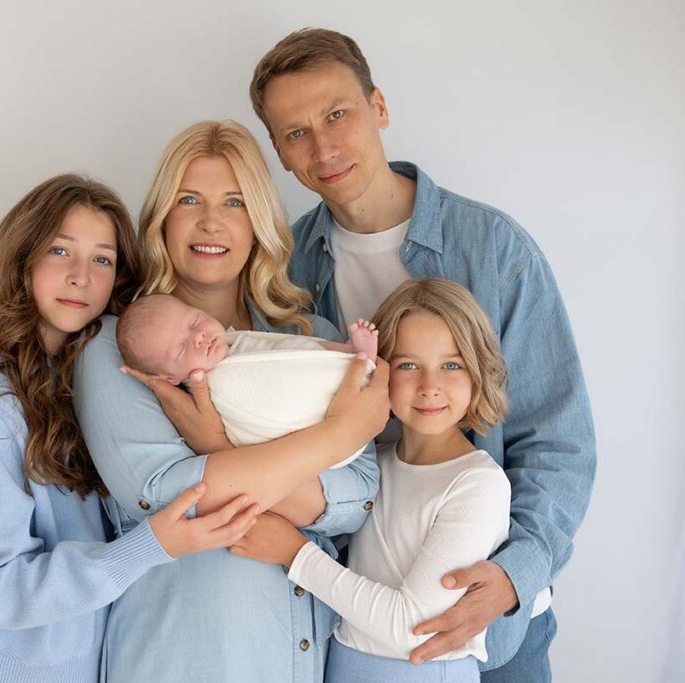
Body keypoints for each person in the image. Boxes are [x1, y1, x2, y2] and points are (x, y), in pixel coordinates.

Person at [249, 28, 595, 679]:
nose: (322, 147)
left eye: (336, 114)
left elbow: (559, 439)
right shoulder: (283, 269)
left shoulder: (494, 248)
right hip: (356, 629)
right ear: (279, 152)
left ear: (378, 106)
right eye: (295, 132)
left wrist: (513, 574)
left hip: (492, 623)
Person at [72, 120, 390, 682]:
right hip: (185, 653)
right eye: (188, 199)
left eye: (234, 201)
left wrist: (215, 450)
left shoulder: (308, 334)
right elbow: (165, 494)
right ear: (162, 219)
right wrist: (333, 437)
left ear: (258, 222)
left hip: (299, 650)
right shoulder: (118, 348)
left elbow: (359, 496)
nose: (210, 221)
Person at [0, 174, 262, 683]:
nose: (82, 276)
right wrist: (152, 544)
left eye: (102, 258)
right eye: (61, 252)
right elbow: (1, 589)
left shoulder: (97, 385)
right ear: (23, 260)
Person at [234, 278, 511, 683]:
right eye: (408, 365)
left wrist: (295, 554)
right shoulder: (369, 467)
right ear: (379, 370)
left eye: (451, 365)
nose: (430, 386)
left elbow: (411, 627)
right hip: (344, 666)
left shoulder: (477, 484)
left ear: (477, 372)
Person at [117, 293, 376, 462]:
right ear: (169, 378)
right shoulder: (213, 390)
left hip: (353, 417)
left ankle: (351, 358)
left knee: (299, 353)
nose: (198, 337)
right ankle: (356, 365)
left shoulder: (236, 341)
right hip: (316, 441)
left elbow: (288, 350)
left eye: (195, 321)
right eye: (182, 349)